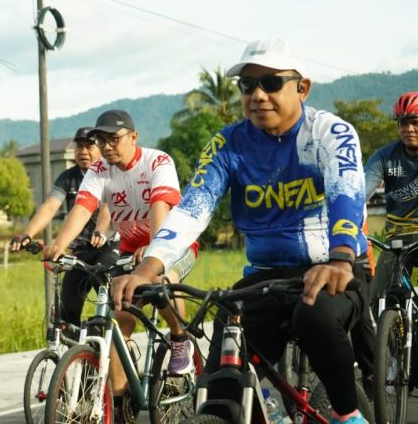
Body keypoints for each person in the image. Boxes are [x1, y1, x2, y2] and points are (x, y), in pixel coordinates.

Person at [112, 38, 371, 424]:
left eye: (271, 83)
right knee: (223, 376)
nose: (258, 95)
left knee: (313, 317)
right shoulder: (228, 143)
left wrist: (340, 258)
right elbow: (192, 209)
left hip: (333, 269)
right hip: (265, 278)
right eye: (247, 86)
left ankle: (347, 414)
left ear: (302, 87)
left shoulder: (330, 133)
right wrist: (148, 268)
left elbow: (346, 193)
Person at [42, 109, 197, 422]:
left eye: (114, 138)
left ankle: (181, 338)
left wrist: (154, 252)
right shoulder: (99, 169)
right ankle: (120, 400)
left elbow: (159, 209)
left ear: (133, 137)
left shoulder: (157, 162)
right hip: (129, 251)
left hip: (172, 244)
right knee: (118, 319)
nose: (107, 145)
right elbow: (83, 207)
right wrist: (59, 245)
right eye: (103, 139)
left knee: (159, 282)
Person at [9, 127, 119, 329]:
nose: (83, 151)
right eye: (79, 146)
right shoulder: (68, 177)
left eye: (89, 146)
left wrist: (102, 232)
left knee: (112, 311)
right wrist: (27, 234)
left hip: (107, 248)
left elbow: (107, 208)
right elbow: (50, 206)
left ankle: (118, 348)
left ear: (100, 149)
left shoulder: (109, 172)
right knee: (67, 313)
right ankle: (77, 356)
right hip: (79, 251)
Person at [365, 91, 418, 336]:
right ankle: (393, 355)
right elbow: (361, 191)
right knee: (377, 297)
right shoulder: (385, 157)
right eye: (403, 123)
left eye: (415, 122)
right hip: (397, 238)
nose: (408, 129)